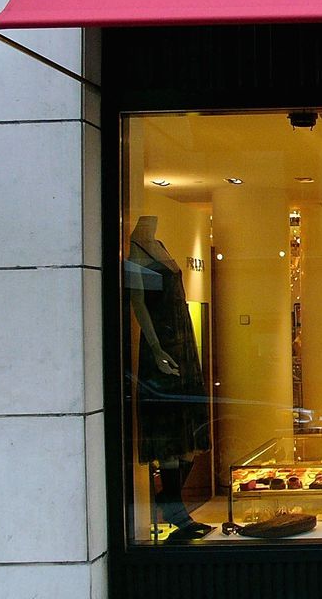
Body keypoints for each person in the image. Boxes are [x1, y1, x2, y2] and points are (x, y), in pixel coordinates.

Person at [125, 215, 213, 541]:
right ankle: (177, 512)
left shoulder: (159, 246)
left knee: (188, 438)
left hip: (183, 339)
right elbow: (138, 305)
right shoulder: (136, 253)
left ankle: (170, 501)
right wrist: (156, 348)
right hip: (163, 343)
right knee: (171, 435)